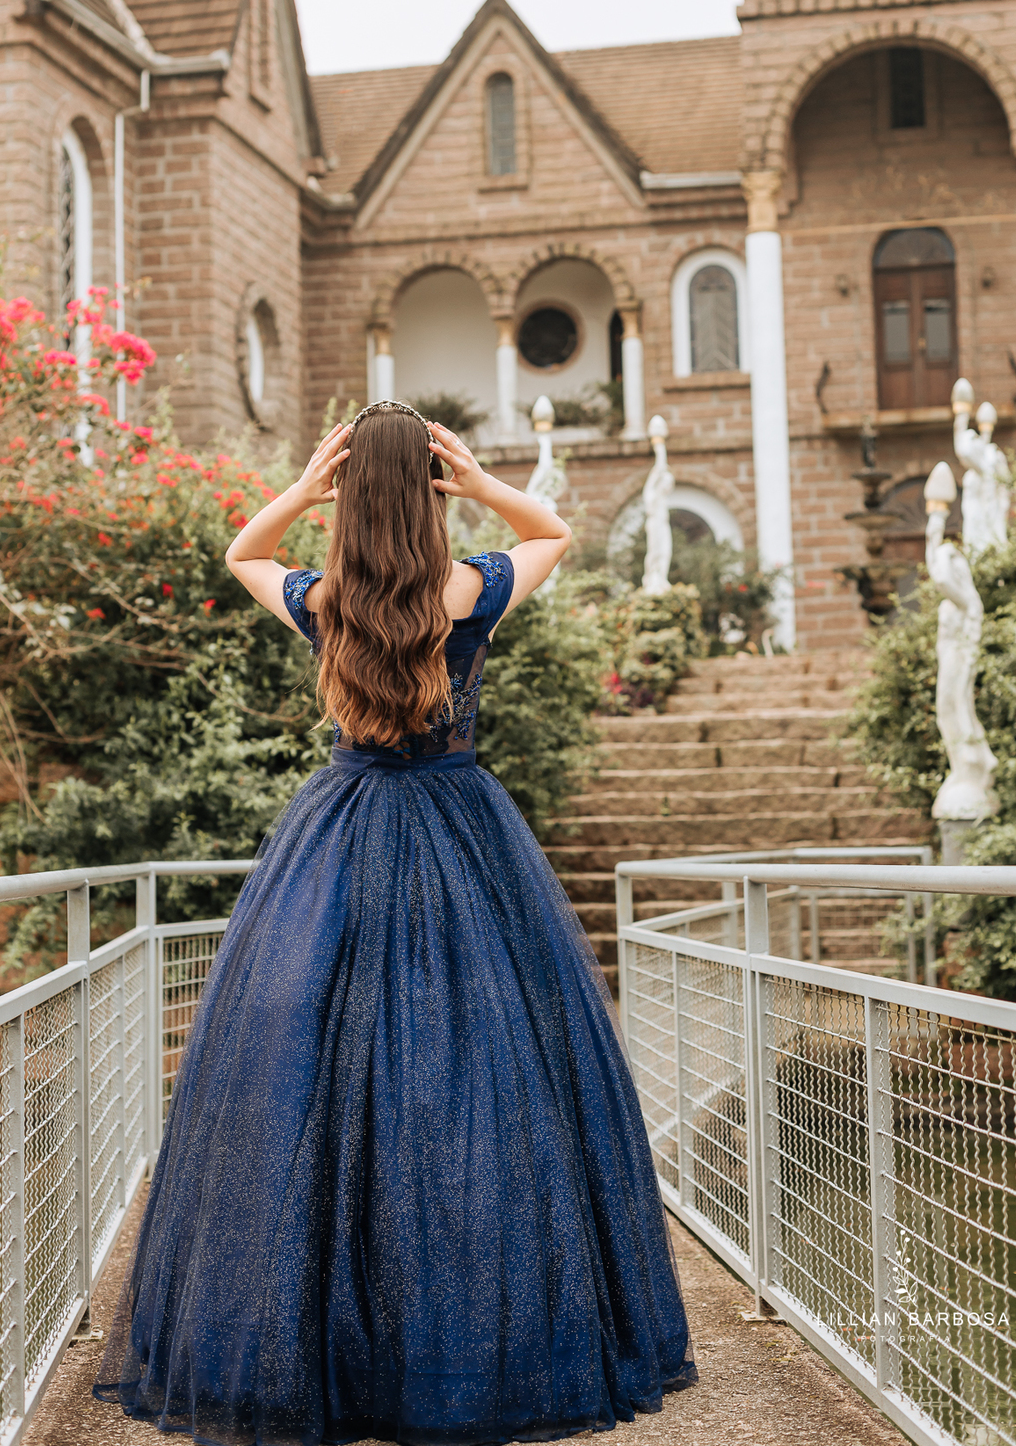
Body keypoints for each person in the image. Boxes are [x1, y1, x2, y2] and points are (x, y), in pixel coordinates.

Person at [93, 400, 696, 1445]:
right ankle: (459, 1343)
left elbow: (243, 549)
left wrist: (307, 488)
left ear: (346, 493)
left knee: (317, 1081)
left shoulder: (324, 599)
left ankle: (333, 1352)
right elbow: (550, 529)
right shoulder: (468, 590)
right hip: (465, 833)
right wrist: (473, 480)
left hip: (342, 832)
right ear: (423, 487)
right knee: (480, 1080)